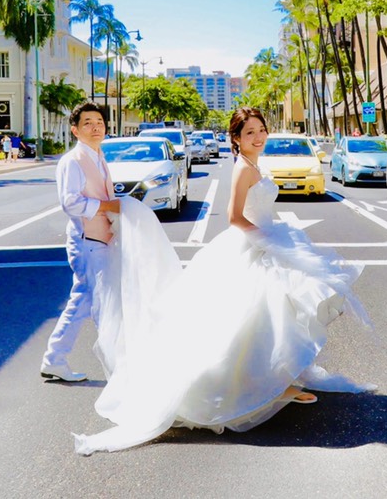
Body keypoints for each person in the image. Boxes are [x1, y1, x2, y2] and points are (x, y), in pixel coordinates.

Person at [72, 105, 371, 455]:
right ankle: (259, 387)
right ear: (236, 139)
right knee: (249, 321)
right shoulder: (243, 168)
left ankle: (284, 378)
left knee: (279, 316)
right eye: (249, 133)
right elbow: (234, 218)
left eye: (261, 130)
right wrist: (268, 239)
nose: (258, 137)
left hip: (266, 238)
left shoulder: (256, 163)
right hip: (249, 244)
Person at [40, 101, 119, 384]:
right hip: (86, 240)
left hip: (99, 239)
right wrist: (109, 208)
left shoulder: (99, 156)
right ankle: (58, 360)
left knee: (90, 299)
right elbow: (70, 203)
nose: (95, 126)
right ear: (75, 130)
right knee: (89, 300)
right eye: (87, 122)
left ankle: (56, 359)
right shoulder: (72, 161)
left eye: (99, 121)